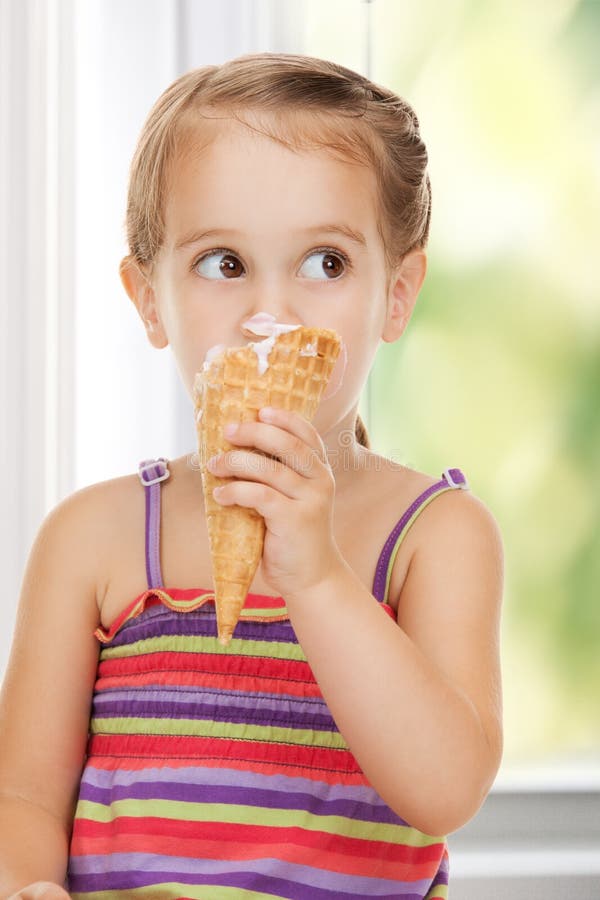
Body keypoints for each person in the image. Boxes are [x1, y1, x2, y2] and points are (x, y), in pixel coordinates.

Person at [0, 52, 504, 899]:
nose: (271, 313)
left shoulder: (435, 535)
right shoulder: (92, 541)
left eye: (325, 264)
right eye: (224, 264)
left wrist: (316, 576)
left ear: (397, 292)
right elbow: (21, 798)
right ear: (149, 298)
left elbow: (446, 790)